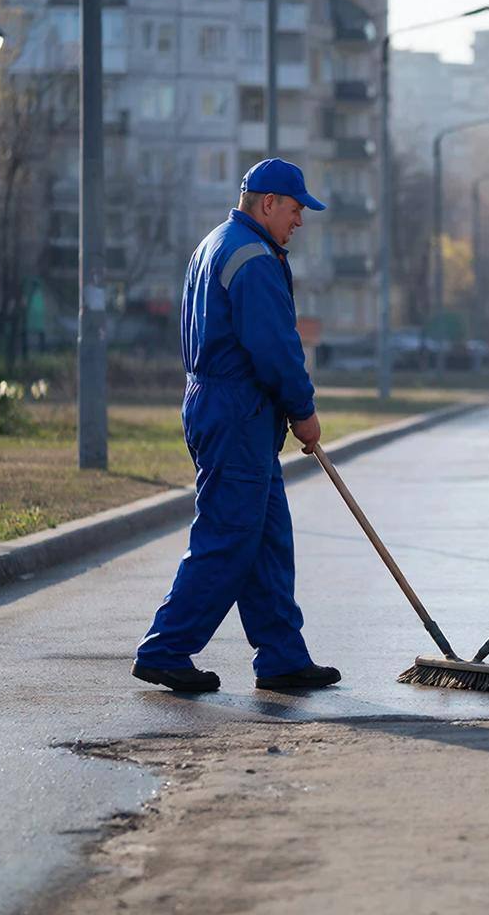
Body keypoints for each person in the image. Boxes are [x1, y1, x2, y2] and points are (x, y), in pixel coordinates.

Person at [132, 159, 340, 693]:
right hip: (236, 410)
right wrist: (303, 411)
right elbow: (274, 346)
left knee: (267, 539)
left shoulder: (216, 243)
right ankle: (166, 648)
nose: (299, 221)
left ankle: (281, 657)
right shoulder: (253, 258)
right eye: (295, 210)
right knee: (228, 535)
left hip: (222, 404)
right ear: (268, 203)